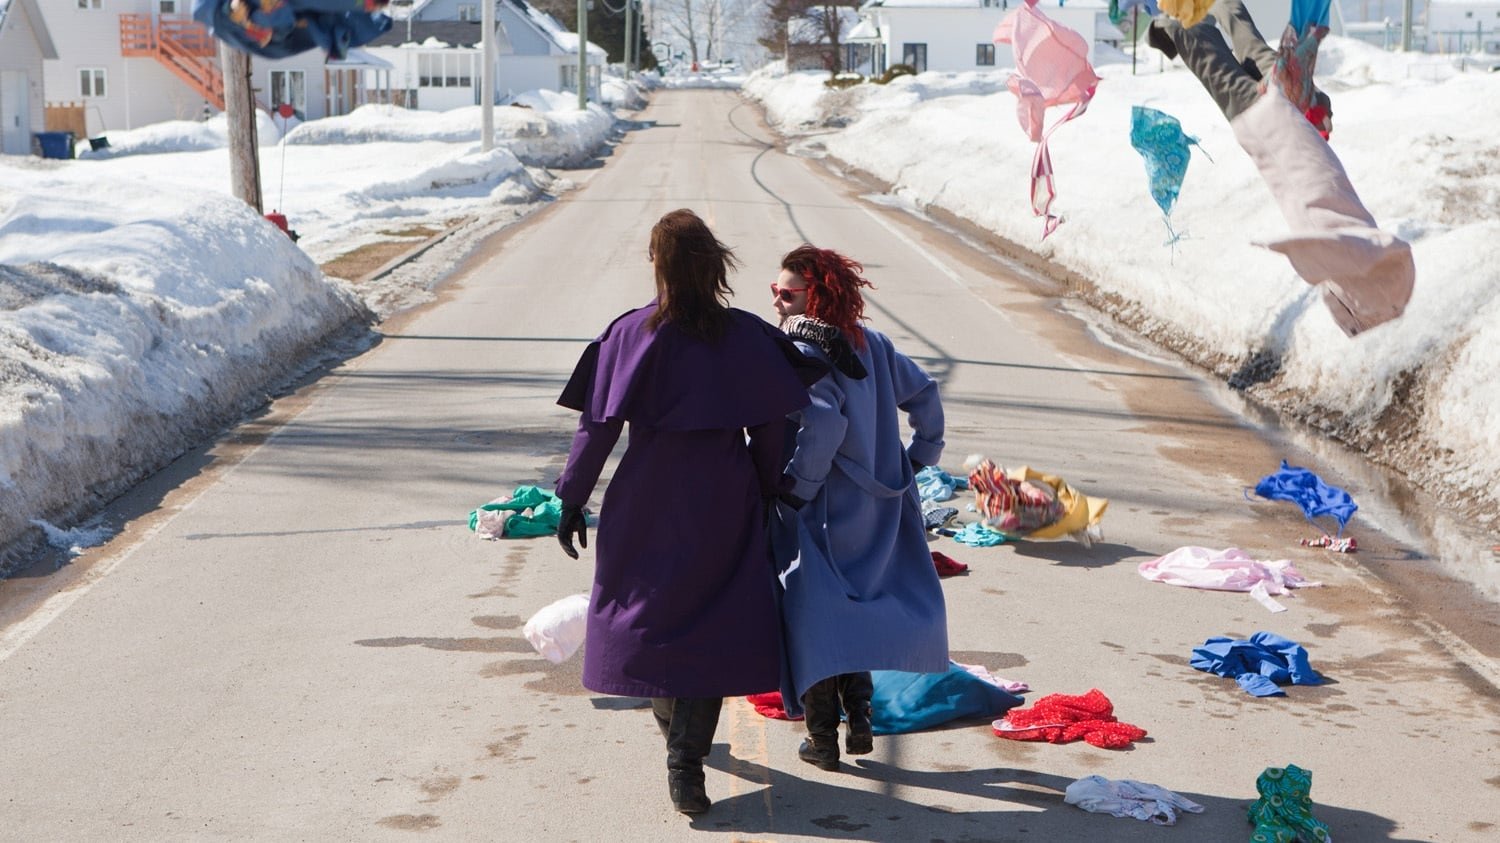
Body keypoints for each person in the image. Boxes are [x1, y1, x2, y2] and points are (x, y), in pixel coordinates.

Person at [552, 209, 824, 816]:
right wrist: (766, 486)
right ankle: (686, 760)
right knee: (711, 624)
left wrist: (572, 498)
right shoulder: (746, 335)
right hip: (723, 495)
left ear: (659, 264)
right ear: (714, 264)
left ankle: (676, 741)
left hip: (644, 496)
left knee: (648, 619)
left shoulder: (628, 334)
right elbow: (771, 425)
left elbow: (597, 426)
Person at [769, 245, 950, 771]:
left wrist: (799, 486)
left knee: (814, 616)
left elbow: (824, 423)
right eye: (775, 291)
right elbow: (926, 395)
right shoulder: (874, 344)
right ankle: (861, 722)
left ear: (816, 297)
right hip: (883, 506)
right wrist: (921, 456)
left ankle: (822, 738)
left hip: (824, 505)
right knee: (857, 611)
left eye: (787, 294)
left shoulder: (805, 350)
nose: (777, 302)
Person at [1148, 0, 1333, 136]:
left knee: (1244, 45)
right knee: (1220, 60)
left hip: (1283, 109)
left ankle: (1172, 24)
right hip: (1273, 114)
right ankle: (1171, 25)